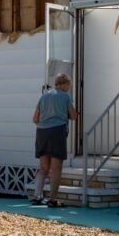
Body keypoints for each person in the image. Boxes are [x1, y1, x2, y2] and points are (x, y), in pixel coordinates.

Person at [30, 73, 78, 207]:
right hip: (57, 132)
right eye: (69, 85)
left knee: (44, 167)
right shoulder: (65, 97)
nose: (69, 88)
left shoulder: (44, 96)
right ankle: (52, 199)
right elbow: (73, 116)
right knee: (56, 168)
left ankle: (37, 196)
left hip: (42, 132)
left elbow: (35, 119)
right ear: (65, 84)